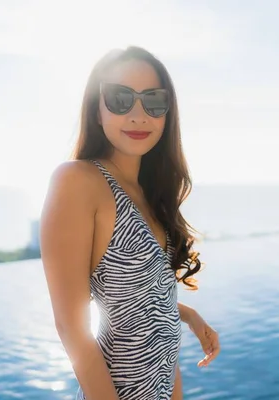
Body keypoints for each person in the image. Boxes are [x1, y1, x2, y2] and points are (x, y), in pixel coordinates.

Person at [40, 46, 220, 400]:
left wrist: (188, 315)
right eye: (121, 99)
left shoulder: (151, 196)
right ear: (96, 109)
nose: (139, 116)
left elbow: (140, 300)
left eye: (153, 102)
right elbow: (72, 327)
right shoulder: (78, 181)